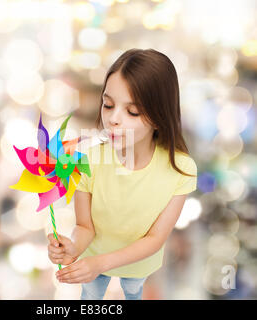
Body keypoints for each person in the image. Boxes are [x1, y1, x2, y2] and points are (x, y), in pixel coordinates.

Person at [47, 48, 198, 300]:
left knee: (133, 289)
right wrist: (71, 247)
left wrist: (100, 263)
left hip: (138, 263)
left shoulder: (180, 169)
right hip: (94, 256)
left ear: (160, 116)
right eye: (108, 105)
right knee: (90, 298)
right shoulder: (87, 160)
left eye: (133, 111)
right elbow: (85, 226)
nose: (113, 119)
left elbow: (155, 238)